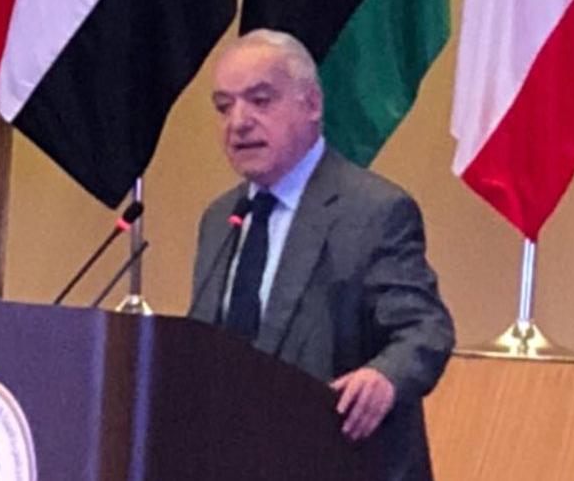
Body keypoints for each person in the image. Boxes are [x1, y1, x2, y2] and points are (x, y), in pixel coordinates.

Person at [188, 29, 455, 480]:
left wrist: (384, 377)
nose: (238, 122)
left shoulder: (374, 211)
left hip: (343, 463)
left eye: (260, 100)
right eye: (224, 106)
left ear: (311, 104)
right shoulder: (220, 218)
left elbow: (424, 328)